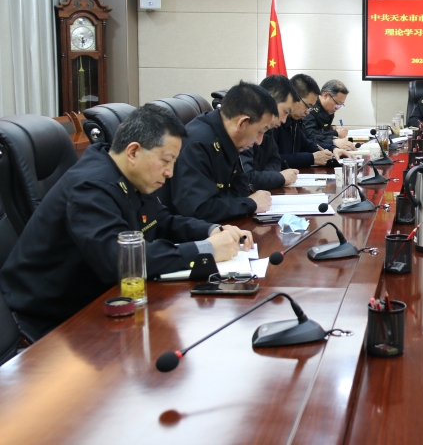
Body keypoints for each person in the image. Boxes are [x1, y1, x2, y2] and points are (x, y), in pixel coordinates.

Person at [0, 105, 252, 341]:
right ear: (133, 152)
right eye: (166, 161)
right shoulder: (91, 188)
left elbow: (161, 222)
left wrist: (212, 230)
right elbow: (120, 261)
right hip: (48, 322)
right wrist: (205, 250)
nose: (170, 172)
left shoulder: (126, 174)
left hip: (98, 300)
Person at [170, 81, 276, 222]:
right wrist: (250, 204)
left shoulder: (228, 139)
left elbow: (241, 188)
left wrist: (228, 202)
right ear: (242, 123)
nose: (259, 141)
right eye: (260, 132)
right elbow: (198, 209)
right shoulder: (199, 144)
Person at [274, 73, 353, 168]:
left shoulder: (294, 121)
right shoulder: (275, 123)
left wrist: (333, 149)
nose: (308, 112)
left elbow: (306, 144)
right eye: (308, 106)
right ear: (293, 98)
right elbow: (272, 160)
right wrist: (311, 158)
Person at [239, 75, 302, 191]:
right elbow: (246, 177)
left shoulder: (269, 129)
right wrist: (279, 178)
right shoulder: (247, 123)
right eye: (285, 112)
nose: (284, 120)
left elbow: (275, 160)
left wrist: (264, 177)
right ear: (270, 101)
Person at [303, 79, 349, 143]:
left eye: (340, 105)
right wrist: (335, 133)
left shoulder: (328, 109)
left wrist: (330, 128)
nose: (337, 108)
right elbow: (310, 134)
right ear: (326, 95)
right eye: (337, 103)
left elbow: (319, 129)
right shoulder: (311, 107)